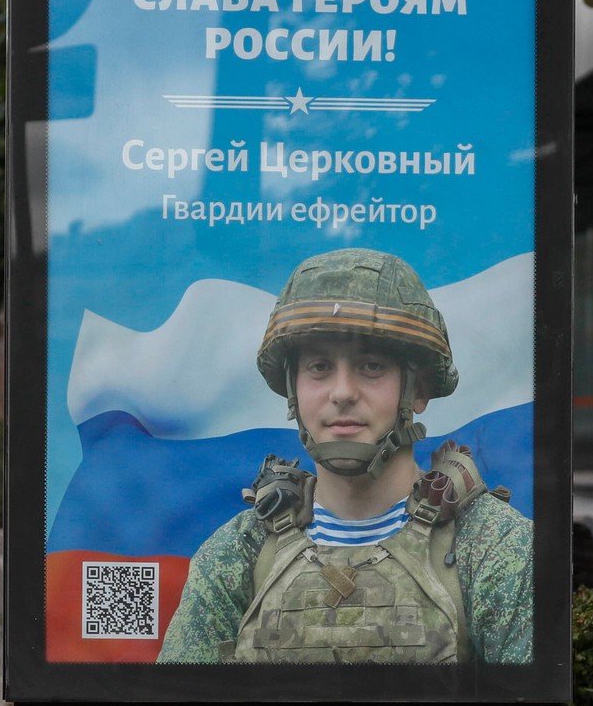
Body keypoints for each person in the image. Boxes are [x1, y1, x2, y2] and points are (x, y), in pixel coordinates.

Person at [156, 248, 534, 665]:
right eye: (319, 367)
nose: (342, 392)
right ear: (293, 392)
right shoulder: (238, 552)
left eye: (371, 366)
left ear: (419, 391)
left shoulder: (491, 544)